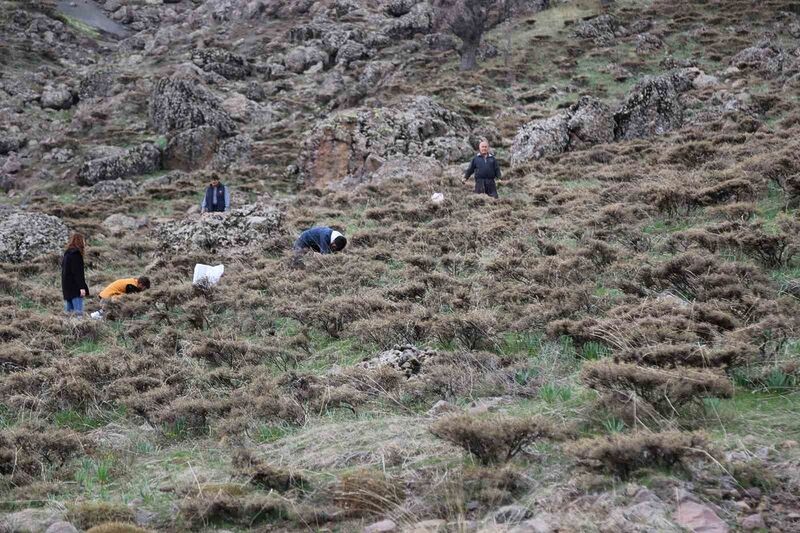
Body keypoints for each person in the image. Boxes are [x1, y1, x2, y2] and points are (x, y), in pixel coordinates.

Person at [61, 233, 89, 315]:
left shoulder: (67, 254)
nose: (84, 243)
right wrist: (82, 287)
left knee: (69, 314)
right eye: (83, 241)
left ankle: (67, 327)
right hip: (75, 288)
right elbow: (78, 273)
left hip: (66, 288)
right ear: (80, 241)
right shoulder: (76, 255)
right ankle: (78, 327)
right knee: (78, 313)